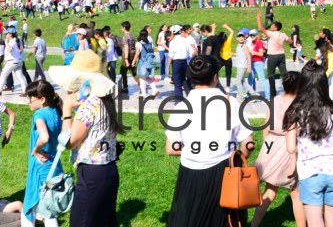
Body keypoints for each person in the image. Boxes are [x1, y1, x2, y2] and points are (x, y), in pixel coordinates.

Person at [165, 55, 254, 226]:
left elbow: (171, 148)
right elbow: (248, 143)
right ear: (215, 77)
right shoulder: (231, 103)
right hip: (223, 172)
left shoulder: (181, 107)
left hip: (190, 174)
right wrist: (236, 157)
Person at [50, 49, 124, 227]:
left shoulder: (89, 106)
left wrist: (67, 110)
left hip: (92, 174)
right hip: (108, 170)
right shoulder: (104, 101)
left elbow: (70, 141)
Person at [284, 60, 333, 227]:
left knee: (315, 223)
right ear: (324, 83)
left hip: (310, 172)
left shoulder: (295, 111)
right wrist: (331, 147)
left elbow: (290, 147)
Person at [251, 72, 305, 227]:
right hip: (289, 145)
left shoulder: (274, 100)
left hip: (271, 143)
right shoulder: (298, 105)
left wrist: (266, 146)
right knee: (295, 192)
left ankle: (254, 225)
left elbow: (266, 126)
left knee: (270, 188)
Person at [22, 80, 63, 227]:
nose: (28, 102)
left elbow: (44, 137)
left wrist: (36, 149)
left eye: (30, 99)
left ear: (42, 99)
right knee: (48, 209)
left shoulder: (40, 114)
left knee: (29, 208)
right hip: (54, 165)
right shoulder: (56, 112)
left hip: (40, 167)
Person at [256, 13, 290, 99]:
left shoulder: (272, 34)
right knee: (284, 75)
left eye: (272, 25)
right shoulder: (283, 34)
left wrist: (258, 18)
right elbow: (290, 41)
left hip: (272, 56)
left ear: (275, 28)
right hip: (281, 55)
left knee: (271, 75)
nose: (271, 26)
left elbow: (260, 29)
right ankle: (288, 91)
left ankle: (272, 95)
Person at [0, 27, 27, 95]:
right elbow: (20, 50)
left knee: (3, 74)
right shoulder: (16, 40)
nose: (5, 35)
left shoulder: (12, 41)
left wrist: (6, 42)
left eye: (7, 33)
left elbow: (9, 50)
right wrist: (6, 59)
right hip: (18, 61)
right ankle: (25, 91)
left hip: (13, 61)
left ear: (10, 34)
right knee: (20, 76)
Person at [131, 28, 158, 98]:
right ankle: (154, 89)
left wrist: (133, 61)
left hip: (142, 62)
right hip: (149, 62)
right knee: (147, 77)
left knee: (142, 78)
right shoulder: (150, 43)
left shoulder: (138, 43)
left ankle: (144, 94)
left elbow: (137, 53)